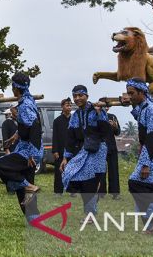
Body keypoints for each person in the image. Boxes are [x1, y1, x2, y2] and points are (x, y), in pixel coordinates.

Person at [123, 78, 153, 235]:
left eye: (132, 93)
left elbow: (151, 138)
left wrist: (146, 164)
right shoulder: (144, 107)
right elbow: (137, 114)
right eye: (128, 93)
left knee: (136, 183)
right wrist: (126, 101)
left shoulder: (151, 109)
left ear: (142, 92)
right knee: (150, 187)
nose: (130, 96)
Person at [0, 73, 43, 219]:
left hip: (29, 151)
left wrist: (32, 155)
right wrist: (15, 136)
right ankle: (34, 218)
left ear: (16, 87)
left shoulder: (25, 105)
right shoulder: (27, 100)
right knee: (23, 186)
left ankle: (28, 185)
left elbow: (34, 128)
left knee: (0, 165)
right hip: (28, 148)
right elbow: (25, 126)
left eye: (12, 85)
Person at [60, 85, 109, 223]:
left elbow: (105, 131)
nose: (77, 98)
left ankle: (90, 214)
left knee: (90, 183)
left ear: (87, 96)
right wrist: (66, 157)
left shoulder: (97, 110)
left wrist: (100, 114)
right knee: (72, 175)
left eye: (80, 95)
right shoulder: (75, 116)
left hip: (98, 150)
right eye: (75, 96)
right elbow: (70, 138)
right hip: (83, 151)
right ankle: (92, 206)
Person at [98, 106, 121, 199]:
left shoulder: (112, 117)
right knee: (100, 170)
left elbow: (118, 132)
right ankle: (101, 193)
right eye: (103, 106)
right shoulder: (96, 116)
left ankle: (115, 193)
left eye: (107, 106)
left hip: (111, 146)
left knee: (114, 170)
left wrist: (114, 126)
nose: (106, 107)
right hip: (100, 147)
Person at [51, 98, 72, 194]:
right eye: (67, 104)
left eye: (70, 105)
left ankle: (72, 191)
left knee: (73, 170)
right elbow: (54, 136)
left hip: (72, 149)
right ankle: (58, 191)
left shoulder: (74, 119)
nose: (69, 106)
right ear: (62, 107)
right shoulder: (57, 121)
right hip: (60, 149)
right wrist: (54, 150)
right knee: (59, 171)